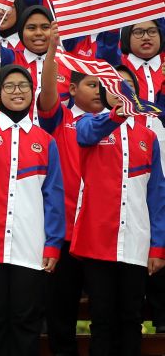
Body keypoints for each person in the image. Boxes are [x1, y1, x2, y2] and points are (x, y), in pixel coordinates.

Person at [0, 57, 65, 356]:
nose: (17, 91)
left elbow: (53, 196)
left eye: (23, 86)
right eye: (9, 86)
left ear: (32, 92)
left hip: (29, 244)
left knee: (26, 320)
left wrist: (53, 244)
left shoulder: (45, 141)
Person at [73, 65, 165, 355]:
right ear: (105, 92)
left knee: (131, 318)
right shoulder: (88, 123)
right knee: (102, 319)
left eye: (127, 85)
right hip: (98, 241)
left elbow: (157, 195)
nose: (121, 90)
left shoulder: (148, 136)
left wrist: (158, 246)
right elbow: (85, 137)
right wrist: (115, 116)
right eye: (114, 85)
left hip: (136, 241)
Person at [38, 70, 104, 356]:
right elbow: (47, 92)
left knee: (104, 313)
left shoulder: (116, 123)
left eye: (103, 85)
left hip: (101, 235)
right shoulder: (59, 118)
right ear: (73, 89)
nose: (99, 90)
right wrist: (52, 50)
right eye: (92, 84)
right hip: (64, 232)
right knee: (61, 311)